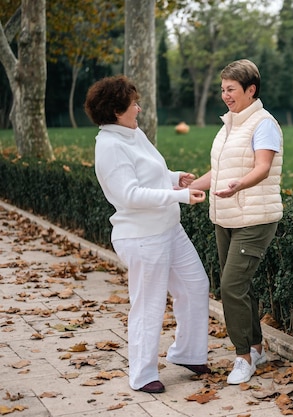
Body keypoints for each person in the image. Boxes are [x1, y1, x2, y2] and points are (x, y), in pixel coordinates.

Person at [84, 75, 212, 394]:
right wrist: (179, 196)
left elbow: (149, 172)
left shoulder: (132, 133)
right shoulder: (109, 146)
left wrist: (175, 177)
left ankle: (188, 353)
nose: (139, 108)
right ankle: (142, 374)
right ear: (116, 111)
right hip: (142, 237)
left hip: (168, 228)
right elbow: (129, 194)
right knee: (148, 304)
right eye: (133, 104)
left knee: (196, 285)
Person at [190, 59, 283, 384]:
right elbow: (221, 173)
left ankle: (243, 357)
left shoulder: (263, 124)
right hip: (226, 215)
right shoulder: (230, 124)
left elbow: (262, 167)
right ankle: (256, 347)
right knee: (239, 286)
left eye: (230, 89)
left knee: (230, 286)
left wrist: (239, 185)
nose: (225, 95)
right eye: (222, 89)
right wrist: (189, 186)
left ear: (250, 89)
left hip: (255, 218)